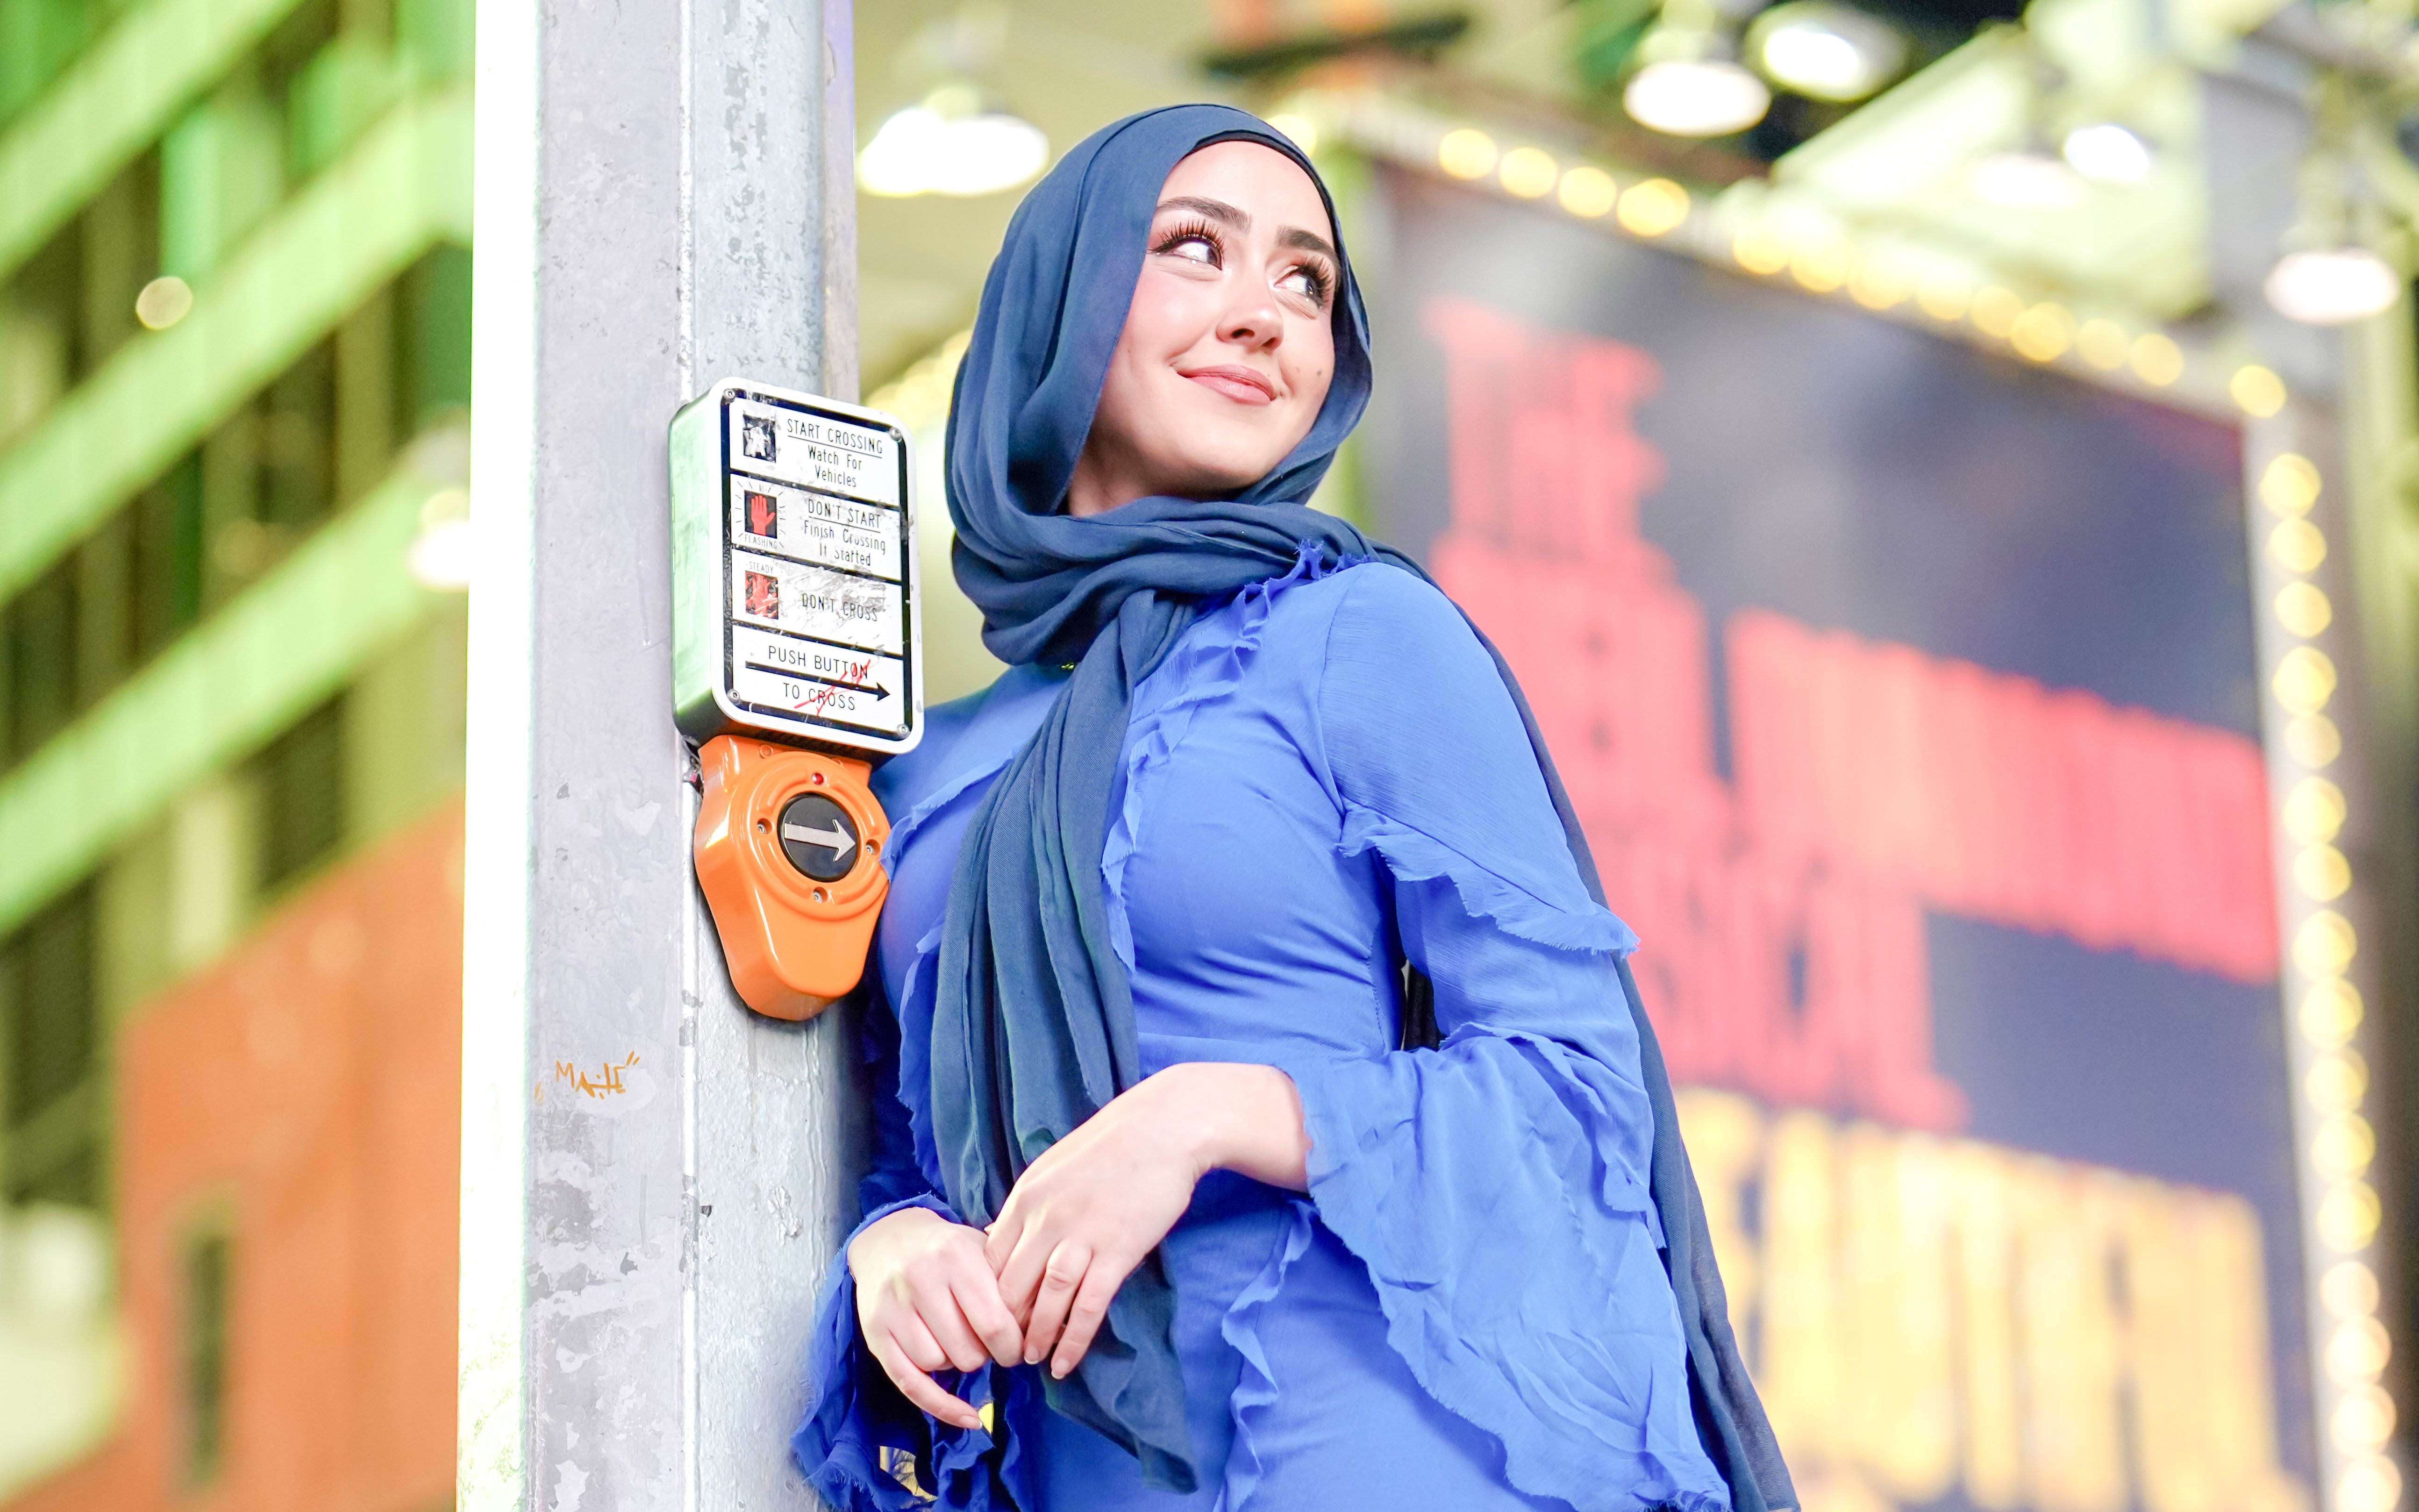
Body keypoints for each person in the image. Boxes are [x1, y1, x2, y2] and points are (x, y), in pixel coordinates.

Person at [792, 105, 1792, 1512]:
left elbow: (1573, 1102)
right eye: (1194, 248)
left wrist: (1209, 1113)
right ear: (1063, 300)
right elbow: (897, 1140)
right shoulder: (923, 771)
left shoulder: (1359, 633)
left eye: (1306, 280)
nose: (1262, 313)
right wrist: (891, 1249)